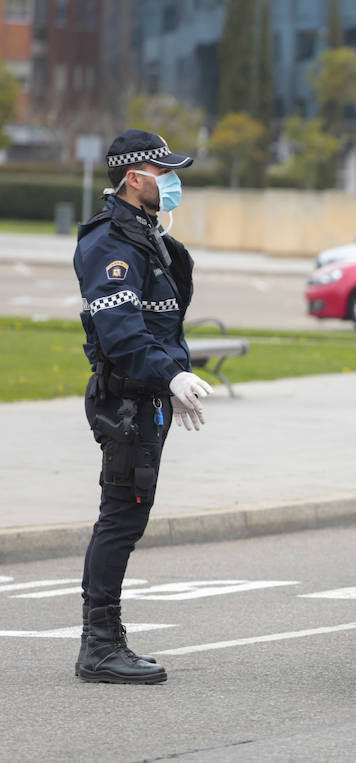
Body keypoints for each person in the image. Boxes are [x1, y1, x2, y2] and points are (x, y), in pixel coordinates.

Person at [73, 129, 213, 685]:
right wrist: (171, 375)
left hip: (147, 398)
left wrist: (170, 381)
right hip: (127, 403)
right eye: (165, 173)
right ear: (135, 178)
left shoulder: (147, 237)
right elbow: (123, 335)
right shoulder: (110, 243)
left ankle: (104, 641)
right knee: (120, 518)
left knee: (128, 517)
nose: (174, 182)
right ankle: (99, 646)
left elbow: (160, 323)